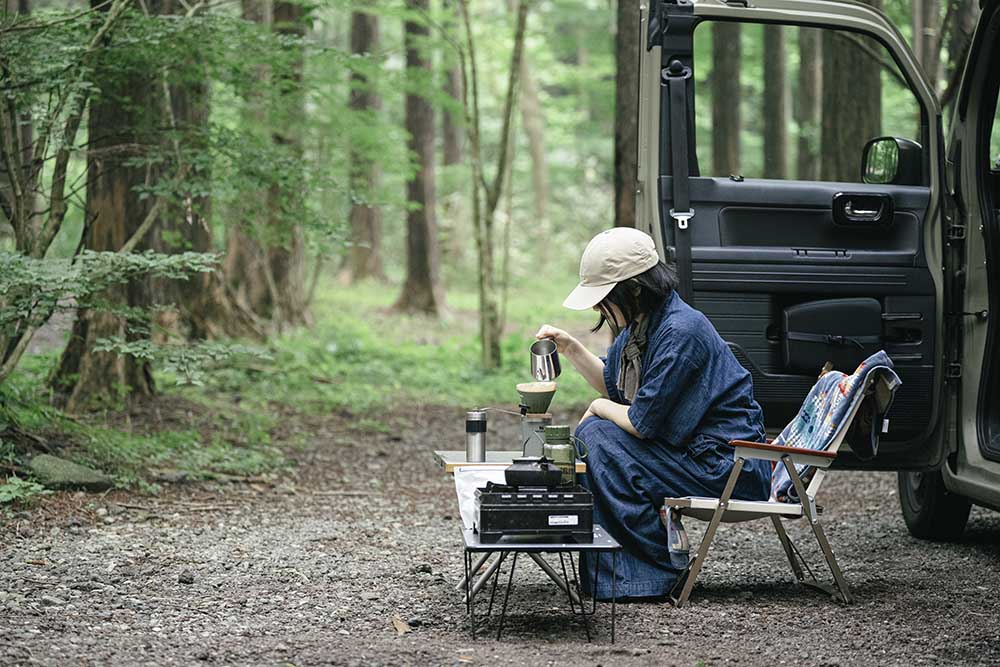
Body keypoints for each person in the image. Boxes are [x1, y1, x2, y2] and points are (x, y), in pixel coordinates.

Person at [535, 227, 771, 600]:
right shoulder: (643, 325)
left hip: (728, 467)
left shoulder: (680, 331)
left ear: (634, 289)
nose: (599, 308)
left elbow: (641, 424)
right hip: (693, 458)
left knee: (599, 437)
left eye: (604, 298)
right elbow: (614, 386)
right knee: (599, 434)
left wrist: (596, 409)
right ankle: (624, 571)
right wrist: (571, 348)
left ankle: (653, 571)